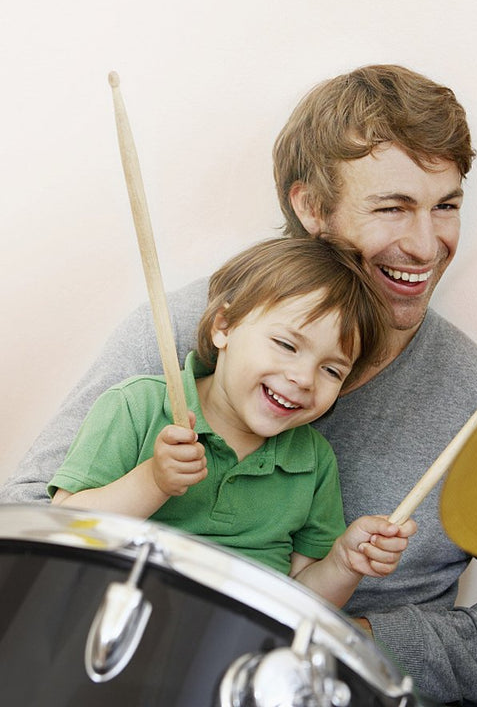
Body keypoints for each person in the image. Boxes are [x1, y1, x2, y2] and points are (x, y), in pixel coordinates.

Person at [2, 64, 477, 706]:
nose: (427, 245)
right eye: (393, 208)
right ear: (311, 207)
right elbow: (26, 522)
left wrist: (348, 644)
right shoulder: (183, 326)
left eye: (446, 206)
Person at [48, 236, 416, 608]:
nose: (304, 379)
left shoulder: (314, 462)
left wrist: (344, 563)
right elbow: (62, 530)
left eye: (332, 370)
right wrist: (154, 480)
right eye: (287, 345)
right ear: (223, 326)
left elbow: (303, 605)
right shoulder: (137, 406)